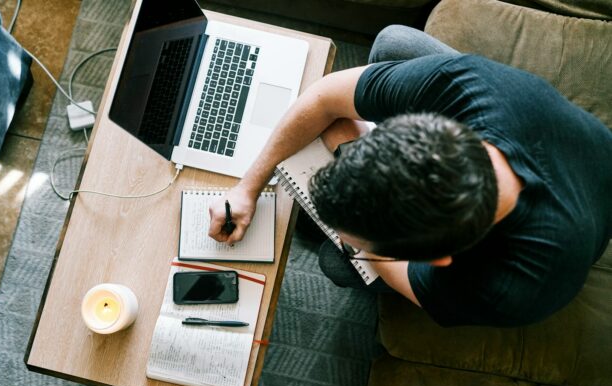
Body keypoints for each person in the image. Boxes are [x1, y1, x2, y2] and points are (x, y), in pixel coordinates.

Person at [207, 25, 612, 327]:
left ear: (437, 259)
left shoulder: (505, 288)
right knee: (393, 43)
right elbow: (325, 95)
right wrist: (248, 187)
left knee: (336, 262)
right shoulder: (467, 86)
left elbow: (410, 281)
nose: (353, 243)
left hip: (582, 230)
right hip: (576, 153)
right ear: (418, 126)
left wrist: (356, 252)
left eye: (365, 245)